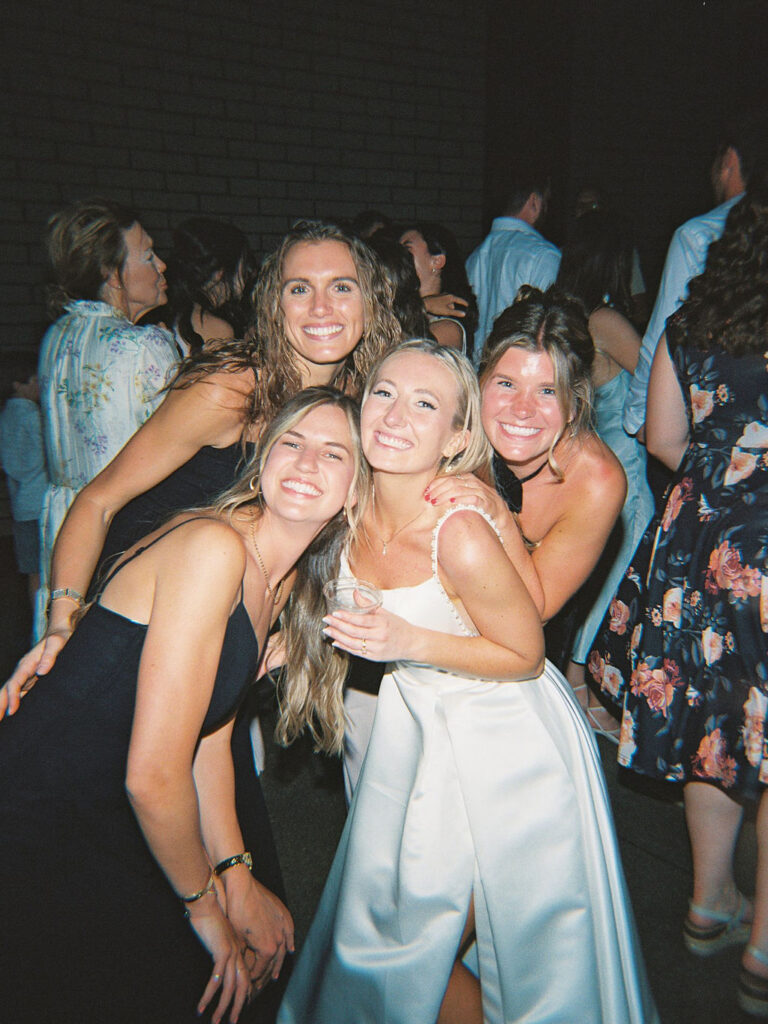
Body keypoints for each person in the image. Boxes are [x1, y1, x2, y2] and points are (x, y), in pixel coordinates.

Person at [275, 340, 658, 1024]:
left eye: (425, 404)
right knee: (396, 938)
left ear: (456, 437)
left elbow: (526, 653)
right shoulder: (349, 503)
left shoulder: (459, 532)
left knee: (421, 954)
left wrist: (407, 642)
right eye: (384, 393)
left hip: (503, 747)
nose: (395, 416)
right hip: (416, 730)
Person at [0, 387, 365, 1024]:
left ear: (356, 491)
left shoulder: (276, 579)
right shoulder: (215, 549)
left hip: (116, 802)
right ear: (263, 459)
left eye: (334, 453)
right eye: (292, 442)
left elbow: (210, 735)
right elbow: (153, 776)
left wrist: (236, 874)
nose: (307, 463)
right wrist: (208, 909)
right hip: (46, 811)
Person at [3, 218, 401, 707]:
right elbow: (99, 500)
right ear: (274, 304)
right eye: (300, 288)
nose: (321, 307)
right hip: (139, 619)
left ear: (370, 300)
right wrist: (62, 622)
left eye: (342, 286)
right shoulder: (230, 388)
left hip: (232, 626)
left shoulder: (361, 401)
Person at [589, 183, 768, 1019]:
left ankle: (708, 900)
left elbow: (663, 439)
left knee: (711, 717)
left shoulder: (692, 322)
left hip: (699, 541)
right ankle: (763, 947)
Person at [36, 198, 178, 635]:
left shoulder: (57, 335)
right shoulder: (145, 346)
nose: (162, 265)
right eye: (148, 255)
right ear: (110, 273)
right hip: (121, 528)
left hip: (64, 530)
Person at [556, 212, 654, 736]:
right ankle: (583, 688)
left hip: (595, 457)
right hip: (624, 464)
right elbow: (659, 377)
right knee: (616, 579)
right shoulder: (606, 320)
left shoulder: (569, 314)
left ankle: (585, 685)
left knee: (601, 575)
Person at [623, 111, 767, 437]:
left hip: (718, 427)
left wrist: (638, 416)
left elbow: (666, 329)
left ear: (729, 160)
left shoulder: (702, 232)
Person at [466, 178, 561, 362]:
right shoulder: (544, 256)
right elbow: (550, 332)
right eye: (547, 201)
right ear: (534, 201)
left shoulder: (475, 255)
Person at [162, 216, 256, 355]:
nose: (246, 277)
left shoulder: (177, 313)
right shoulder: (218, 329)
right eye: (242, 268)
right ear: (220, 273)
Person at [0, 351, 49, 608]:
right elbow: (44, 456)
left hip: (21, 507)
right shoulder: (34, 417)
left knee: (33, 571)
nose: (40, 386)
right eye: (35, 380)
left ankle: (36, 621)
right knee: (51, 568)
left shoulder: (5, 416)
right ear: (18, 385)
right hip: (41, 504)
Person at [400, 220, 478, 357]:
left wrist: (422, 306)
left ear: (437, 261)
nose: (398, 257)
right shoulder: (407, 309)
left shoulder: (448, 328)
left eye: (407, 250)